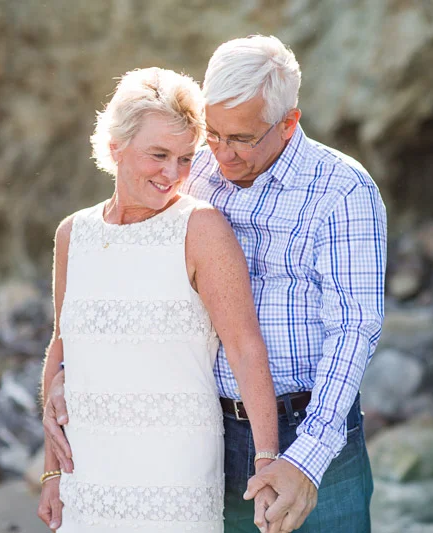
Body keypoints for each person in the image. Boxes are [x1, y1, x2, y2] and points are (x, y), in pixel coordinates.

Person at [44, 35, 387, 533]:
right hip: (208, 432)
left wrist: (302, 457)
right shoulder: (192, 166)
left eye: (242, 139)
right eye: (213, 134)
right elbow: (123, 273)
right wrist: (67, 374)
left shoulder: (341, 190)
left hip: (306, 424)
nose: (221, 155)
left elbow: (354, 330)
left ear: (288, 123)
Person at [37, 67, 279, 532]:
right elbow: (61, 349)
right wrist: (51, 471)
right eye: (159, 155)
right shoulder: (73, 234)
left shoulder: (201, 229)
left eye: (186, 158)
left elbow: (246, 348)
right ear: (115, 147)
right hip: (85, 473)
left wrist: (265, 460)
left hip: (174, 474)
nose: (173, 174)